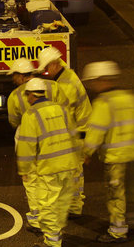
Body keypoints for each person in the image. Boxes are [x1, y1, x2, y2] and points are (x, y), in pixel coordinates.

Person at [81, 61, 134, 243]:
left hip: (116, 159)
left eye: (94, 82)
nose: (94, 86)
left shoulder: (104, 103)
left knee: (116, 195)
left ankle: (117, 231)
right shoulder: (130, 97)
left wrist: (86, 153)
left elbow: (96, 131)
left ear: (102, 80)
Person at [15, 78, 81, 247]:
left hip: (50, 166)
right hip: (69, 163)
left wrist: (24, 169)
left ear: (30, 95)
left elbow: (26, 145)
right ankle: (57, 230)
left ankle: (52, 240)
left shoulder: (30, 115)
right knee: (62, 201)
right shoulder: (62, 109)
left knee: (47, 203)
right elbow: (74, 134)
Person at [36, 46, 92, 216]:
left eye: (46, 68)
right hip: (79, 132)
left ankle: (74, 207)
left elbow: (61, 115)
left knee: (73, 172)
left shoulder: (66, 85)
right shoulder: (65, 77)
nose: (46, 72)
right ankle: (74, 206)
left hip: (78, 134)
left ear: (54, 64)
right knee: (74, 173)